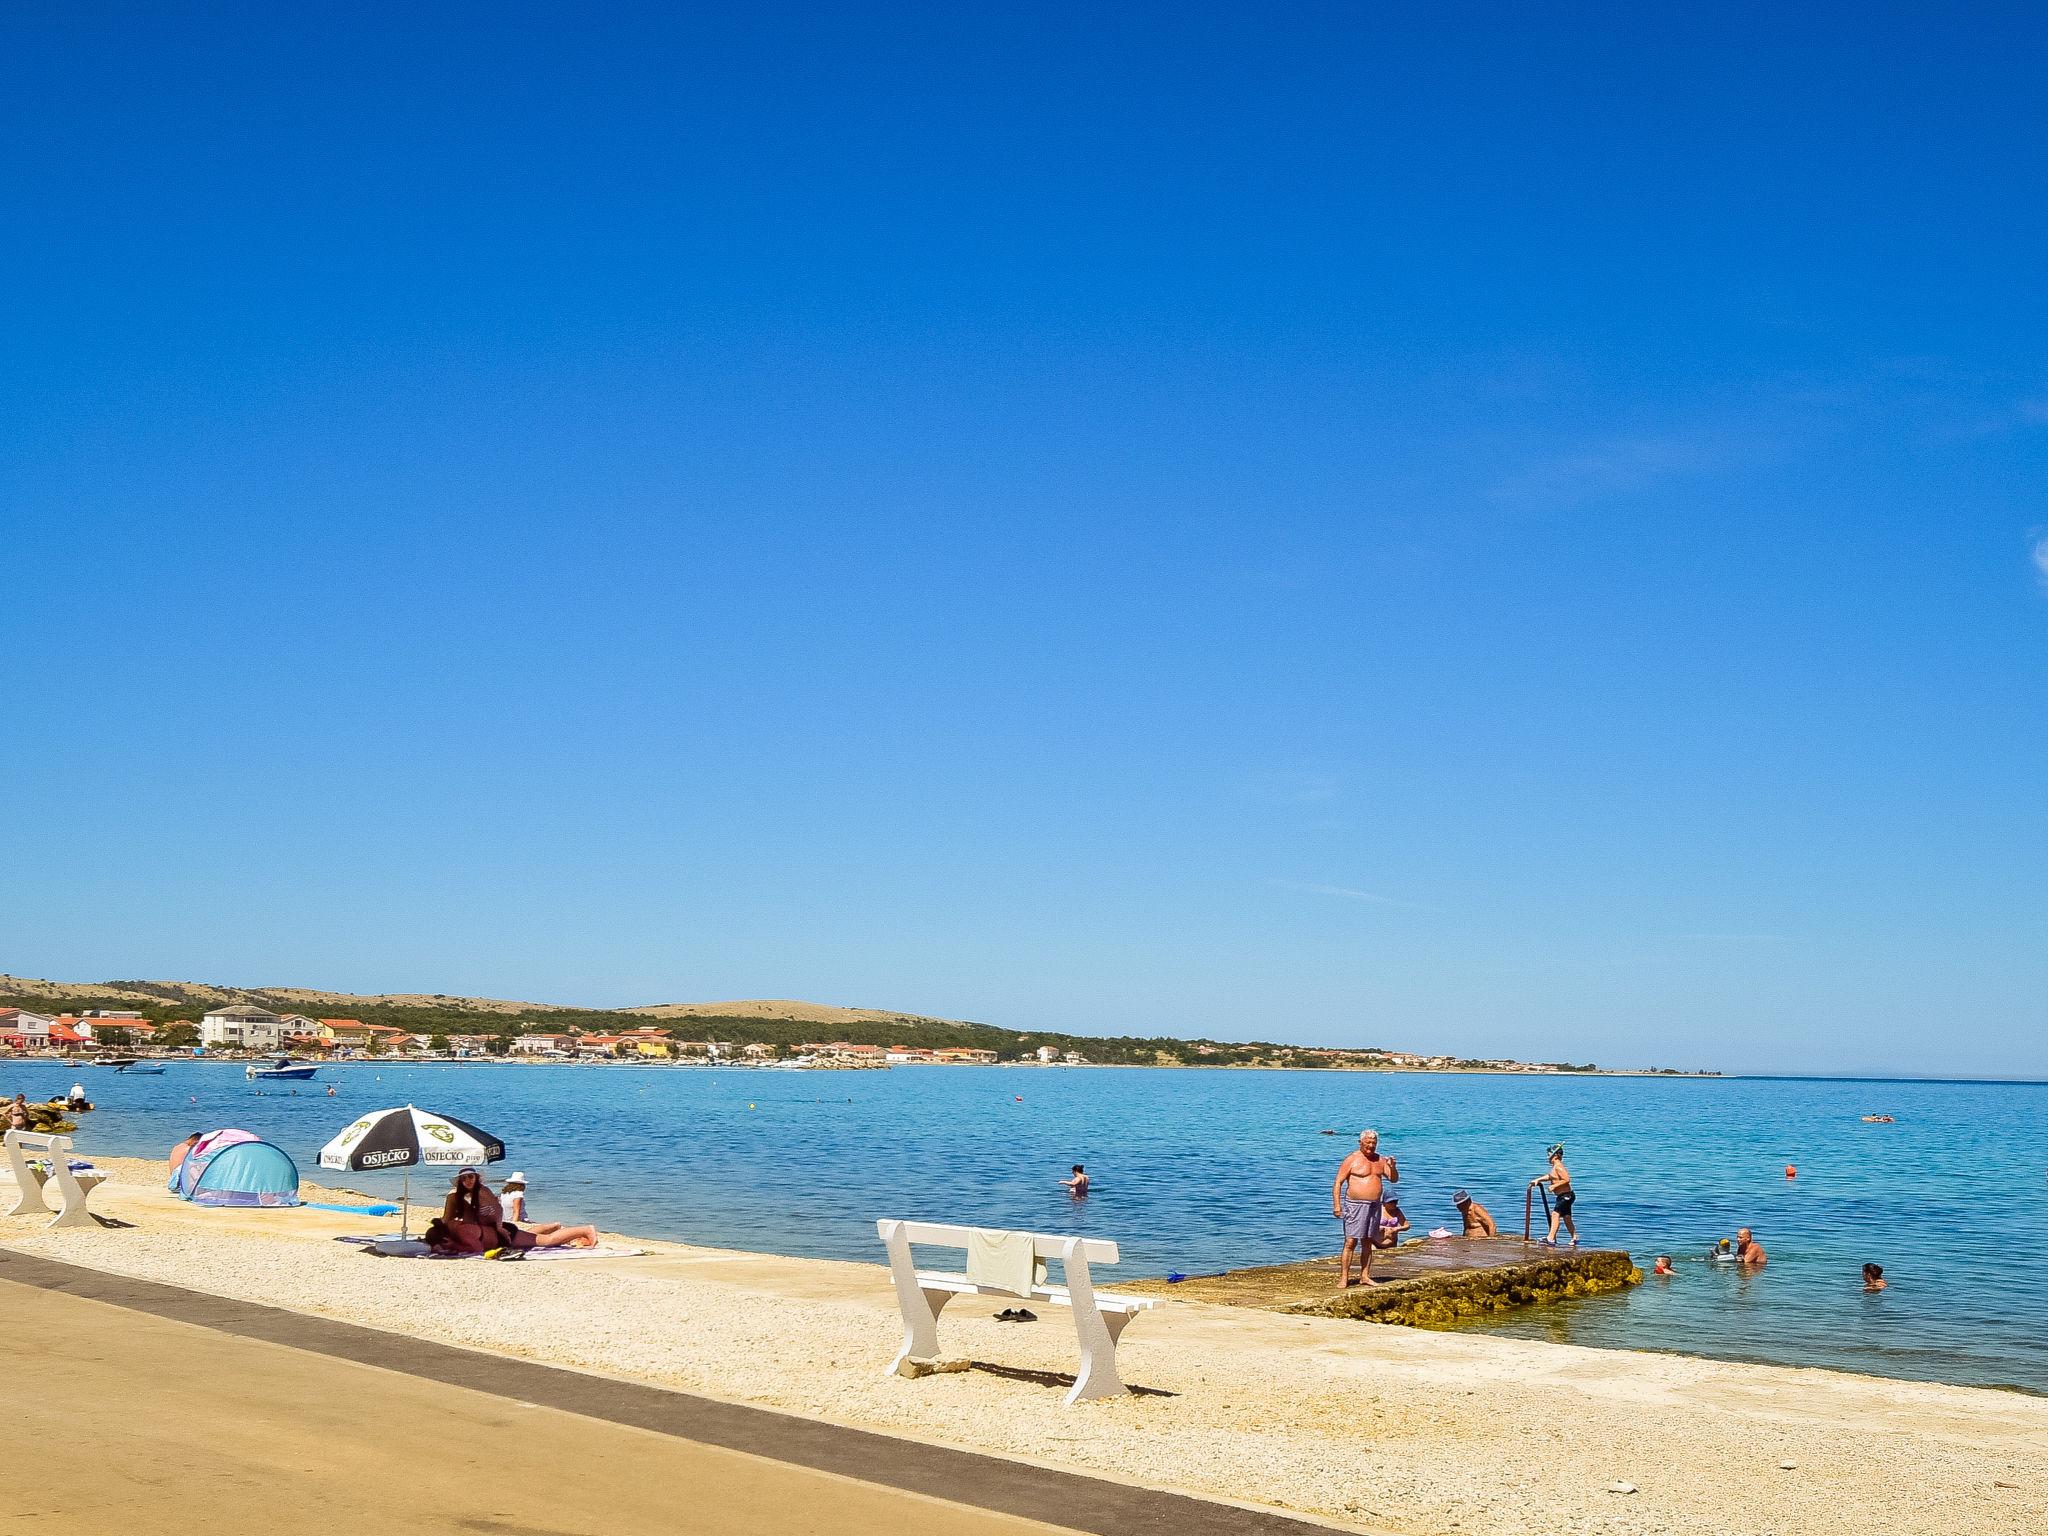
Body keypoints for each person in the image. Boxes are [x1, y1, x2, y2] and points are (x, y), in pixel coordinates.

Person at [1331, 1128, 1399, 1287]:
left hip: (1374, 1205)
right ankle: (1344, 1278)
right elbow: (1338, 1183)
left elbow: (1393, 1179)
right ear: (1360, 1142)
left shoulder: (1380, 1160)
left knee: (1368, 1241)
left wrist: (1393, 1166)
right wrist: (1337, 1205)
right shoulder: (1351, 1159)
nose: (1370, 1147)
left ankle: (1365, 1276)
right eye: (1367, 1143)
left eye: (1373, 1144)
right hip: (1354, 1205)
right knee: (1350, 1242)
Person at [1530, 1143, 1577, 1247]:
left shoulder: (1559, 1167)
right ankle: (1574, 1237)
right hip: (1565, 1196)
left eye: (1549, 1154)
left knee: (1555, 1215)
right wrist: (1538, 1180)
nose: (1547, 1157)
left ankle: (1550, 1238)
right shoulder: (1555, 1167)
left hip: (1566, 1196)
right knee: (1567, 1217)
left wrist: (1554, 1187)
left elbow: (1566, 1179)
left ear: (1555, 1155)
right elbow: (1550, 1176)